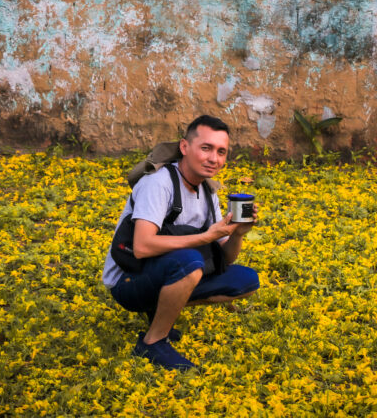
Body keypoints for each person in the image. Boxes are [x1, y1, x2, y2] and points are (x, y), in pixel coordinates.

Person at [102, 115, 260, 370]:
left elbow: (224, 259)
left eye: (221, 152)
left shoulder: (208, 192)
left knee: (246, 281)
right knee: (190, 260)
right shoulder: (159, 182)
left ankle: (160, 306)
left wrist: (238, 233)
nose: (214, 159)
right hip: (127, 280)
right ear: (185, 147)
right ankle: (152, 342)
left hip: (163, 270)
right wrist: (206, 236)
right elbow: (142, 246)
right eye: (206, 148)